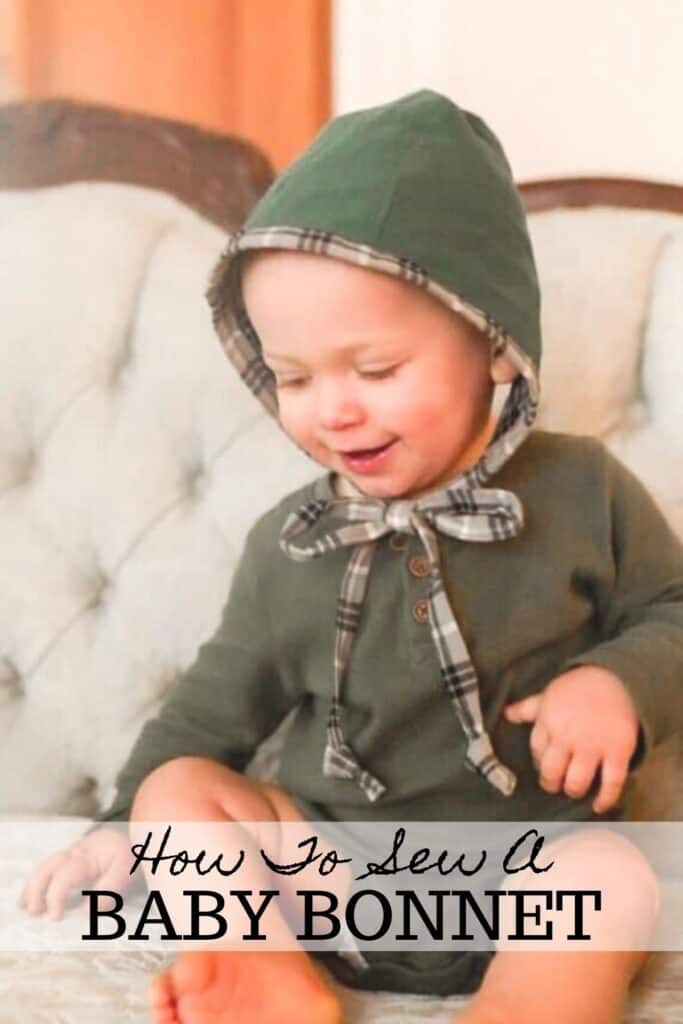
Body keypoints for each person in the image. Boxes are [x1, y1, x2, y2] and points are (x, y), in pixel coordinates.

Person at [20, 89, 681, 1023]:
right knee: (182, 797)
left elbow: (672, 610)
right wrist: (120, 826)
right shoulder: (291, 542)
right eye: (293, 377)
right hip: (333, 883)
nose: (333, 409)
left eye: (374, 370)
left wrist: (620, 683)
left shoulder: (582, 491)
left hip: (523, 873)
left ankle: (527, 1004)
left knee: (612, 878)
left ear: (492, 345)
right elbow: (209, 711)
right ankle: (266, 972)